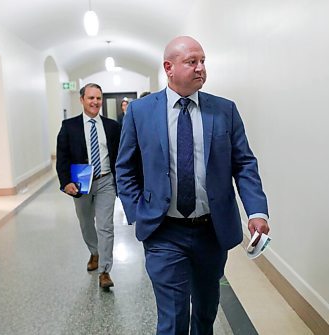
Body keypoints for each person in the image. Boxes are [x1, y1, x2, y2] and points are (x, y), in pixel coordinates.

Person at [116, 36, 269, 334]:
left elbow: (244, 164)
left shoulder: (225, 110)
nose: (201, 68)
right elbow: (125, 167)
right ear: (169, 68)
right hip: (164, 231)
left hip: (211, 231)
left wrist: (257, 212)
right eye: (192, 62)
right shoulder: (141, 111)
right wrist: (139, 211)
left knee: (205, 312)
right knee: (172, 319)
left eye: (203, 61)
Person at [56, 83, 121, 290]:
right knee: (85, 222)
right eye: (91, 98)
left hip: (106, 180)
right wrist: (65, 182)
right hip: (81, 181)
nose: (95, 102)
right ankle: (95, 251)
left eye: (99, 98)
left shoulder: (112, 127)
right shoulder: (69, 126)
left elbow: (120, 155)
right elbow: (62, 157)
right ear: (82, 99)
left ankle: (104, 271)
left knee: (105, 226)